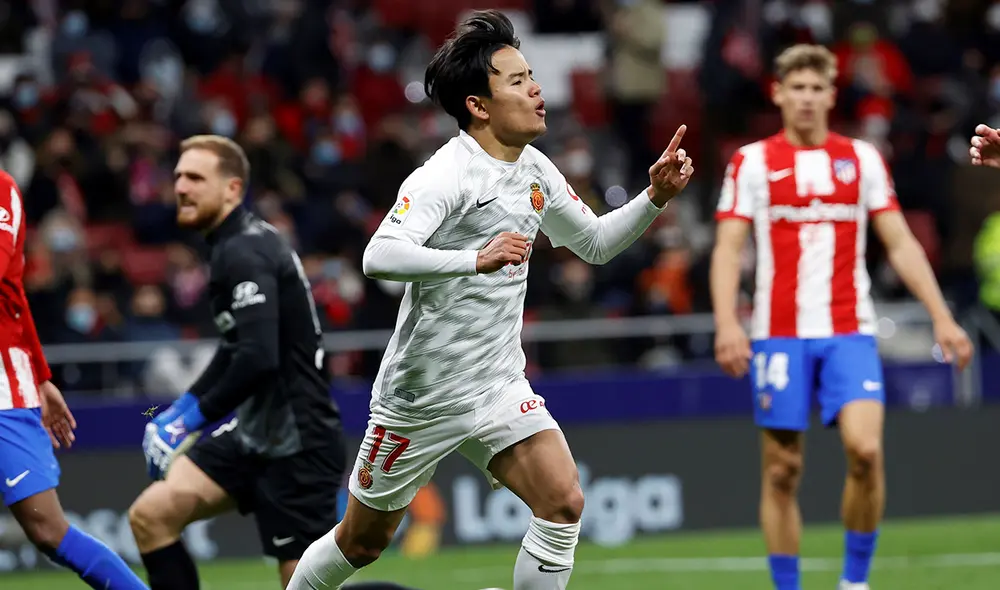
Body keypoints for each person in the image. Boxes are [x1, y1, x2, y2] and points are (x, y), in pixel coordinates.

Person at [288, 10, 693, 590]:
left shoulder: (535, 170)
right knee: (361, 543)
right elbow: (379, 255)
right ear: (478, 105)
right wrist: (473, 259)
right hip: (422, 397)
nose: (536, 90)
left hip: (498, 383)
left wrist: (654, 197)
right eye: (518, 81)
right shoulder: (445, 174)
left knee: (563, 501)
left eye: (532, 76)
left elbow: (596, 244)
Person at [710, 45, 973, 590]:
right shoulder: (751, 162)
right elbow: (729, 249)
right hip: (778, 334)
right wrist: (727, 323)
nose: (806, 99)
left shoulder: (862, 158)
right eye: (797, 88)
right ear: (778, 94)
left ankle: (855, 581)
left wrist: (941, 316)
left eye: (816, 89)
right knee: (782, 471)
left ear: (831, 96)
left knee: (866, 451)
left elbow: (899, 241)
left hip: (849, 329)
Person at [128, 135, 414, 590]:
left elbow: (258, 356)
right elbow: (234, 347)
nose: (181, 187)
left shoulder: (245, 251)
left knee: (302, 587)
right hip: (252, 433)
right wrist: (178, 411)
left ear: (232, 189)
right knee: (152, 515)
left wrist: (190, 421)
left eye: (196, 178)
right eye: (179, 176)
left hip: (297, 442)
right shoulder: (234, 245)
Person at [0, 171, 149, 589]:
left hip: (5, 389)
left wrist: (40, 376)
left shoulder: (1, 189)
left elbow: (9, 288)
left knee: (47, 529)